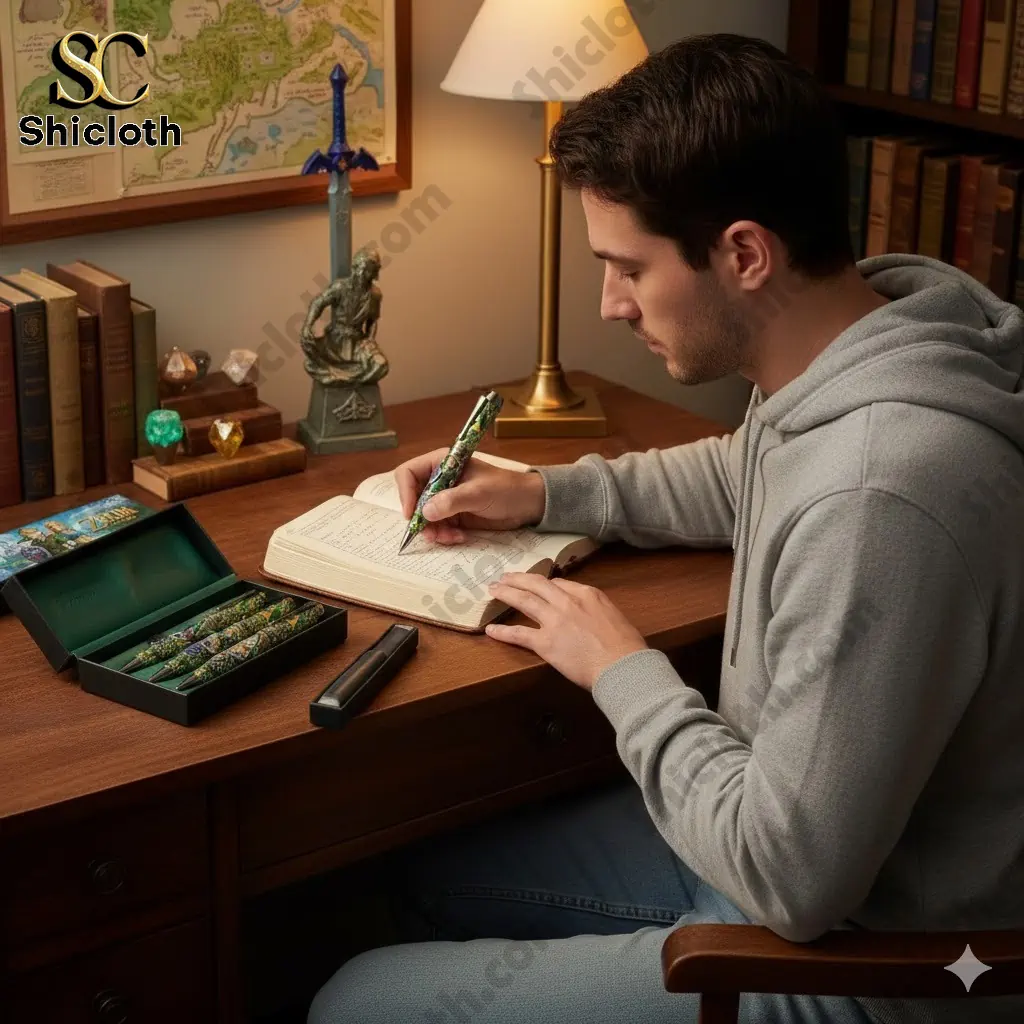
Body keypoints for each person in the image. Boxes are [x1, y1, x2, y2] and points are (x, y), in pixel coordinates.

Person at [308, 33, 1024, 1024]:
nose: (608, 305)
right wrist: (543, 495)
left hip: (856, 968)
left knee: (355, 1001)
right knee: (408, 875)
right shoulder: (867, 342)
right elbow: (745, 473)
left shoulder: (883, 496)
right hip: (777, 853)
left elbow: (791, 880)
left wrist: (620, 668)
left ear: (741, 253)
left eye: (627, 268)